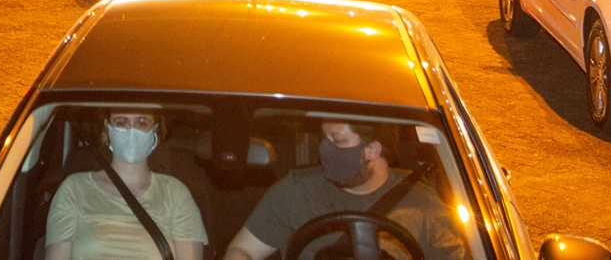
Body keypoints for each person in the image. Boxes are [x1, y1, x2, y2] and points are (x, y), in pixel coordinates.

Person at [223, 120, 465, 260]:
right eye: (324, 138)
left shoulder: (425, 206)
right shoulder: (296, 190)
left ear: (372, 150)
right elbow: (242, 250)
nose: (324, 150)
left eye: (337, 141)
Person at [44, 109, 206, 260]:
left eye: (141, 122)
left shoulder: (175, 193)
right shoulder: (74, 189)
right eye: (121, 122)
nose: (131, 130)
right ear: (107, 128)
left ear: (154, 130)